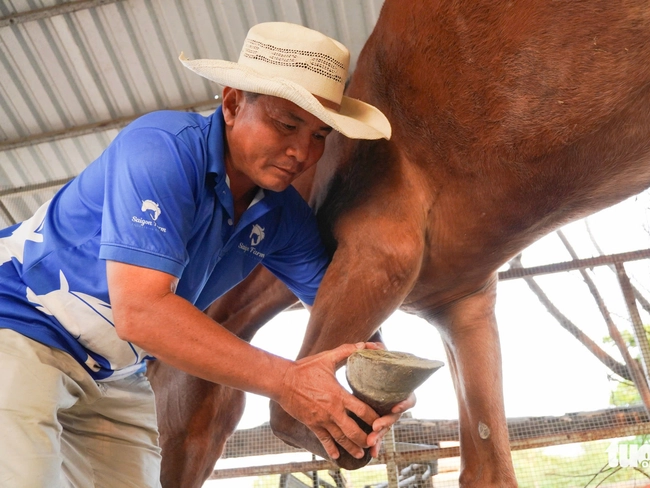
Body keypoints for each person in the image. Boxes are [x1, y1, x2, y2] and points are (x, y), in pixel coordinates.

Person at [0, 22, 411, 487]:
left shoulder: (283, 217)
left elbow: (342, 305)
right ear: (233, 103)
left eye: (319, 134)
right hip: (19, 324)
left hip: (115, 372)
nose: (302, 151)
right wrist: (288, 382)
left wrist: (378, 384)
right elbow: (141, 312)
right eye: (287, 124)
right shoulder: (161, 148)